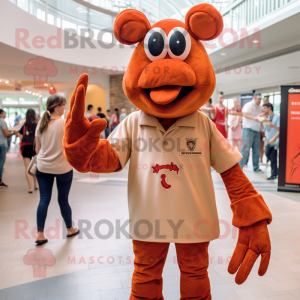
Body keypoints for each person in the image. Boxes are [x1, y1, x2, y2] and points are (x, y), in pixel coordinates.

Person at [34, 95, 79, 245]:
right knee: (63, 199)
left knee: (44, 199)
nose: (65, 107)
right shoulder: (64, 123)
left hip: (43, 167)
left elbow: (37, 149)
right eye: (63, 105)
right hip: (62, 168)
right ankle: (70, 229)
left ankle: (40, 234)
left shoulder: (41, 123)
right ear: (57, 106)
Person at [239, 92, 264, 172]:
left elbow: (261, 116)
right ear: (254, 98)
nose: (260, 100)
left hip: (257, 131)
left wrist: (261, 125)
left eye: (261, 99)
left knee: (256, 151)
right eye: (259, 99)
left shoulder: (260, 107)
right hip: (247, 130)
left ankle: (256, 167)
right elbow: (244, 114)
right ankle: (240, 168)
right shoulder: (249, 105)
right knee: (245, 150)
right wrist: (254, 118)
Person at [14, 109, 39, 193]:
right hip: (35, 148)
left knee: (27, 167)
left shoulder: (24, 125)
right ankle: (36, 185)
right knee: (35, 166)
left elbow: (21, 136)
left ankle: (30, 188)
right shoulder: (37, 124)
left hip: (26, 147)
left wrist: (16, 133)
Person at [262, 103, 280, 180]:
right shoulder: (266, 118)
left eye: (265, 108)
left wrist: (273, 138)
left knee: (273, 157)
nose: (264, 110)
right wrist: (261, 120)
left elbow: (280, 129)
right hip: (267, 140)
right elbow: (263, 129)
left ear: (269, 108)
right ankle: (276, 170)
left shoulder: (277, 117)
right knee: (267, 154)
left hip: (275, 140)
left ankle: (274, 174)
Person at [0, 109, 16, 188]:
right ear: (0, 114)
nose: (5, 115)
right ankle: (0, 180)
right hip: (2, 144)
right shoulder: (2, 121)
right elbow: (6, 134)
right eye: (4, 114)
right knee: (1, 162)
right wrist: (14, 133)